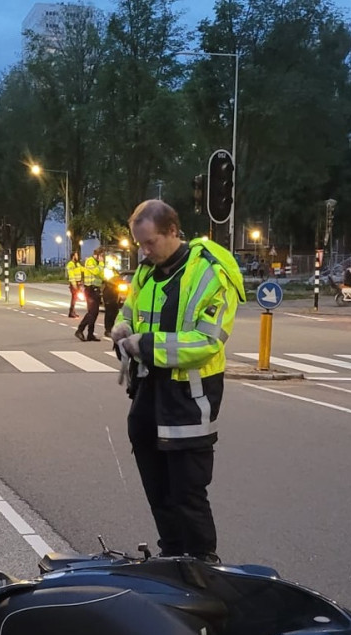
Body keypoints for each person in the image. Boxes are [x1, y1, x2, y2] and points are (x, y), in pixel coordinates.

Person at [112, 199, 243, 562]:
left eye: (150, 242)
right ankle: (171, 557)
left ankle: (203, 564)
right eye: (140, 243)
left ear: (172, 231)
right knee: (157, 488)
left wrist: (147, 344)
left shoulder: (209, 274)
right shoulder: (146, 272)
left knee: (187, 492)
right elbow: (130, 310)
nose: (144, 250)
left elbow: (207, 342)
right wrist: (122, 328)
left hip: (189, 398)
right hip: (148, 394)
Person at [65, 252, 83, 317]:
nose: (77, 257)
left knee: (75, 298)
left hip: (78, 283)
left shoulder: (77, 264)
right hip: (74, 284)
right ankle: (71, 312)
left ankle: (72, 311)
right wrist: (74, 284)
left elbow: (82, 269)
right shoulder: (70, 264)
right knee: (74, 298)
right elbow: (71, 275)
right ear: (73, 257)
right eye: (76, 255)